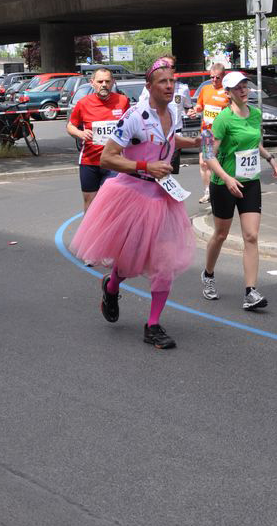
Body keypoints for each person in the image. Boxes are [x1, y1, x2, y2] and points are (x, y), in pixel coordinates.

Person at [70, 58, 200, 349]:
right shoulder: (135, 116)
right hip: (134, 195)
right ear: (149, 86)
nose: (169, 86)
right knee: (130, 261)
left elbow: (167, 139)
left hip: (164, 197)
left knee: (164, 263)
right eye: (163, 82)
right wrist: (145, 165)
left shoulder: (173, 112)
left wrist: (189, 143)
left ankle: (153, 325)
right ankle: (112, 287)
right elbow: (108, 158)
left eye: (172, 81)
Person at [200, 70, 277, 309]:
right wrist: (226, 178)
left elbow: (254, 140)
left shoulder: (255, 114)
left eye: (245, 85)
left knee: (251, 236)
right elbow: (208, 155)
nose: (243, 90)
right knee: (221, 235)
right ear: (228, 93)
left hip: (250, 181)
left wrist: (270, 158)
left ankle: (250, 292)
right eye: (237, 88)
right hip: (224, 184)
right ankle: (208, 274)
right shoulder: (222, 120)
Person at [66, 67, 130, 211]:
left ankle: (111, 231)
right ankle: (89, 232)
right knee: (90, 201)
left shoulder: (122, 101)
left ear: (113, 82)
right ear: (92, 83)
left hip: (114, 161)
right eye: (100, 81)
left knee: (113, 200)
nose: (104, 84)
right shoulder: (83, 103)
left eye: (107, 81)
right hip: (90, 161)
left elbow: (131, 126)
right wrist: (80, 133)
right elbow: (70, 126)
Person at [138, 54, 191, 174]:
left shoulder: (183, 88)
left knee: (169, 174)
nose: (166, 68)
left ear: (174, 69)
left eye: (170, 66)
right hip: (154, 134)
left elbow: (188, 107)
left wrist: (190, 111)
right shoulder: (149, 88)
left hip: (175, 134)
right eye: (163, 65)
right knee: (155, 171)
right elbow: (141, 108)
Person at [192, 62, 229, 203]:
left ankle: (221, 189)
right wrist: (195, 110)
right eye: (212, 77)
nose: (214, 80)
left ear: (223, 77)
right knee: (204, 163)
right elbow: (199, 105)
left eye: (217, 78)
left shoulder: (227, 91)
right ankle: (208, 192)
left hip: (222, 134)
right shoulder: (205, 89)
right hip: (207, 133)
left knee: (220, 163)